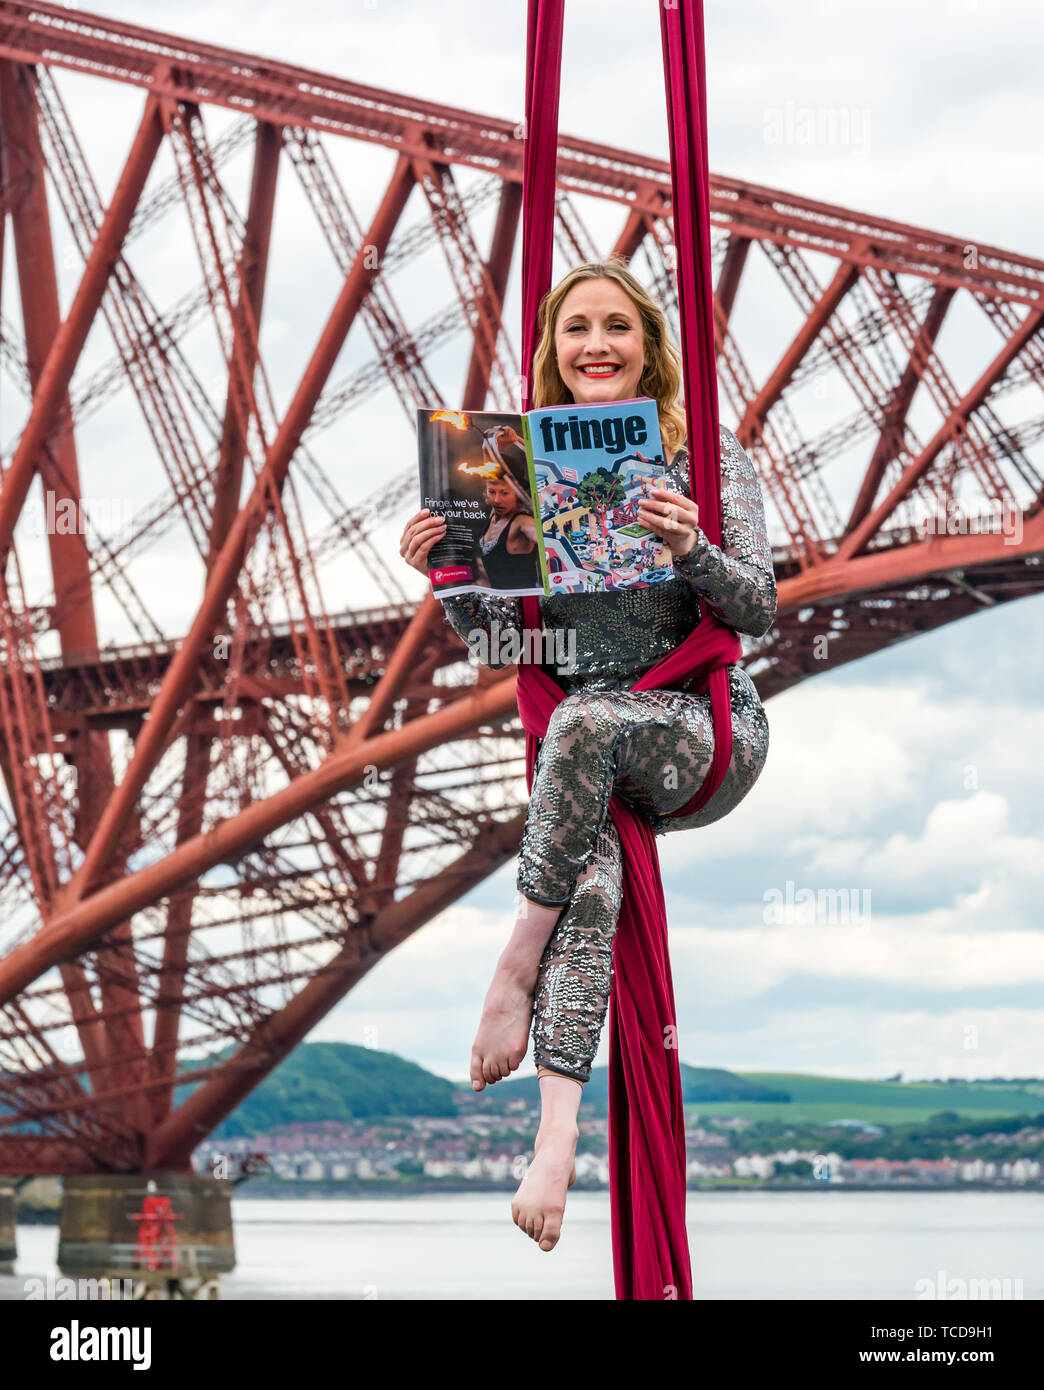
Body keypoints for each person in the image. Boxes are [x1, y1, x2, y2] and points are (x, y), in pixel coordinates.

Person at [399, 259, 777, 1256]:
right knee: (592, 883)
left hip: (702, 732)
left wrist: (692, 545)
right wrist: (445, 568)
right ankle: (556, 1141)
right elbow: (501, 645)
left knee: (582, 725)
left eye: (617, 326)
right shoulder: (510, 470)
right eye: (576, 329)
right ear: (553, 352)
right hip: (593, 746)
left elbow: (761, 609)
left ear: (652, 349)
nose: (595, 344)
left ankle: (512, 963)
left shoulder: (707, 459)